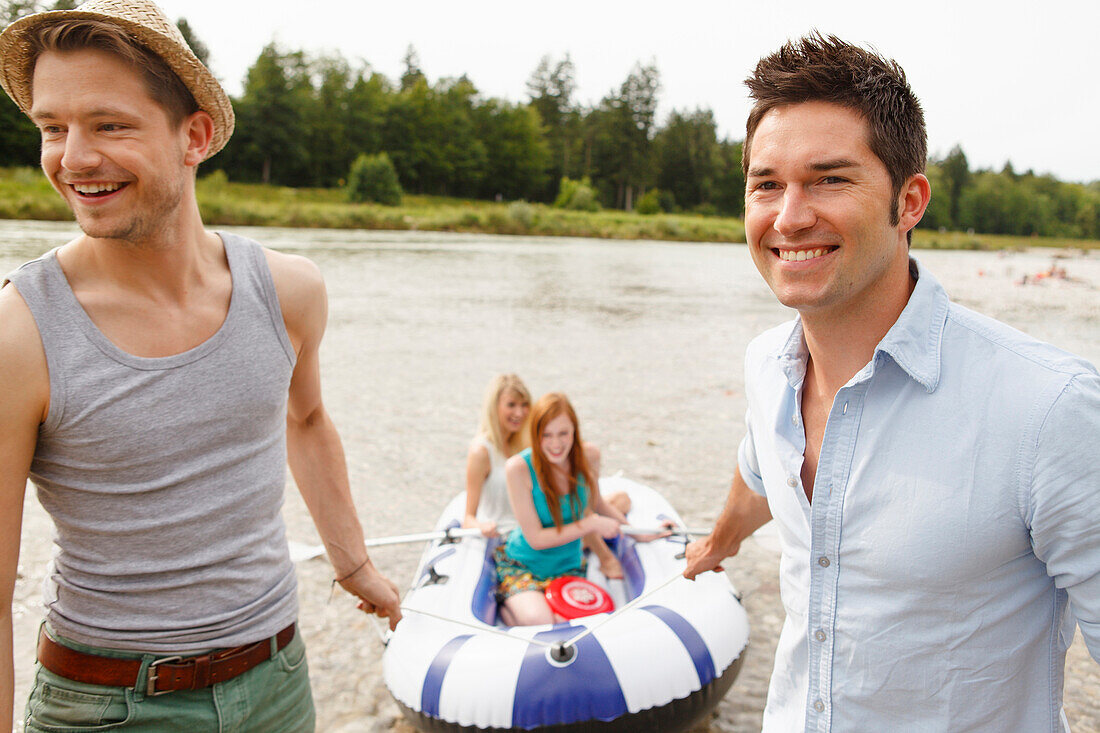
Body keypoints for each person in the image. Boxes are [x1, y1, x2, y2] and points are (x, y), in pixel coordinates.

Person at [0, 1, 401, 730]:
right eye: (52, 128)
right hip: (109, 702)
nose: (73, 157)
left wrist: (354, 565)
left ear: (196, 135)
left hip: (279, 679)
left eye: (109, 124)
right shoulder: (19, 333)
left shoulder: (289, 291)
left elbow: (305, 418)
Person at [683, 33, 1099, 731]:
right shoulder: (764, 367)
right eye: (766, 184)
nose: (789, 217)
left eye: (830, 179)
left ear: (909, 202)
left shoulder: (1047, 409)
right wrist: (719, 542)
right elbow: (761, 467)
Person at [495, 393, 626, 626]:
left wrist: (640, 532)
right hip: (524, 564)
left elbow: (597, 503)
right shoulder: (518, 468)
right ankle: (505, 607)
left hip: (569, 566)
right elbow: (535, 539)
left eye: (563, 433)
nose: (556, 444)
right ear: (535, 435)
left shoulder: (589, 456)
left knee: (564, 621)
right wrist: (590, 524)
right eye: (546, 435)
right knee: (541, 620)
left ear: (574, 431)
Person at [462, 374, 532, 537]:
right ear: (495, 407)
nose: (519, 412)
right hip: (500, 535)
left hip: (528, 534)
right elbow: (468, 519)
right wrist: (481, 527)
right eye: (511, 405)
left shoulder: (526, 446)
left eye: (524, 405)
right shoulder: (481, 452)